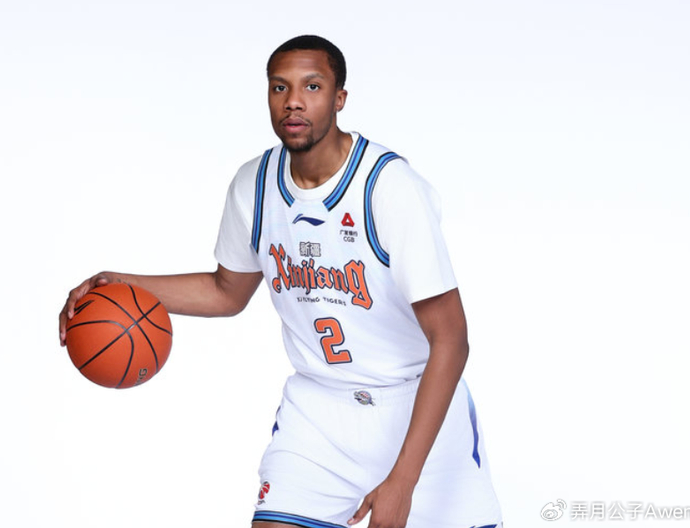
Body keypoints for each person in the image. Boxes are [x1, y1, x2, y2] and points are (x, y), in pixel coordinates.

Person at [59, 35, 503, 528]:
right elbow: (227, 292)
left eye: (312, 86)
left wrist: (403, 479)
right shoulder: (254, 184)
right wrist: (117, 282)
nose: (293, 101)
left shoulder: (389, 188)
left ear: (339, 98)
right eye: (279, 87)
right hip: (319, 413)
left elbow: (452, 339)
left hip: (416, 410)